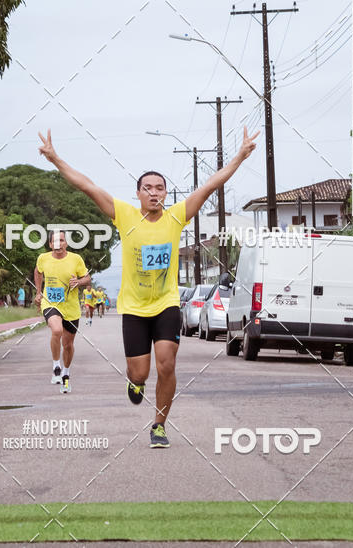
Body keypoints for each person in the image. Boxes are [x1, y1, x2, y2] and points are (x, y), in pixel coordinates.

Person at [38, 125, 259, 448]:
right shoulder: (124, 215)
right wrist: (56, 159)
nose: (154, 193)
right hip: (134, 308)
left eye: (160, 188)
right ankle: (137, 384)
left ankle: (159, 425)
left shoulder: (177, 216)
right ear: (138, 193)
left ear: (165, 194)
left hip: (166, 304)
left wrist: (239, 156)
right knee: (139, 373)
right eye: (148, 188)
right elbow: (87, 185)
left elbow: (211, 184)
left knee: (166, 364)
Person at [34, 229, 91, 392]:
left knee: (68, 345)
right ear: (50, 244)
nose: (58, 244)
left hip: (71, 308)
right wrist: (39, 292)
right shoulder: (43, 258)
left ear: (66, 243)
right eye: (55, 242)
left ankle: (65, 373)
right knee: (57, 330)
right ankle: (56, 365)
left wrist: (79, 282)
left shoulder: (76, 259)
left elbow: (87, 279)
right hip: (50, 303)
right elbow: (38, 271)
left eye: (61, 241)